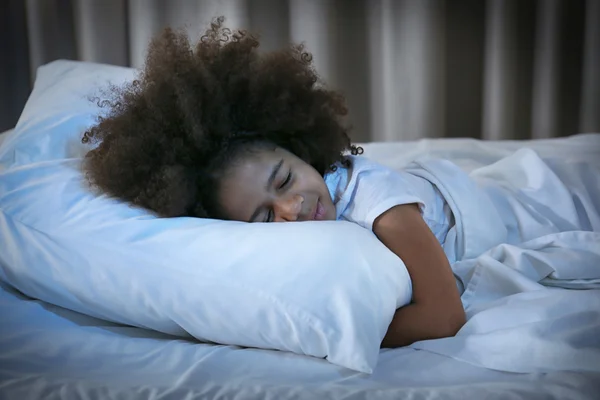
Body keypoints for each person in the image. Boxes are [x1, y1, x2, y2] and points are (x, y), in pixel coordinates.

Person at [80, 17, 467, 348]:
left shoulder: (379, 202)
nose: (292, 208)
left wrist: (317, 335)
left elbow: (445, 318)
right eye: (265, 218)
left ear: (298, 147)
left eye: (283, 178)